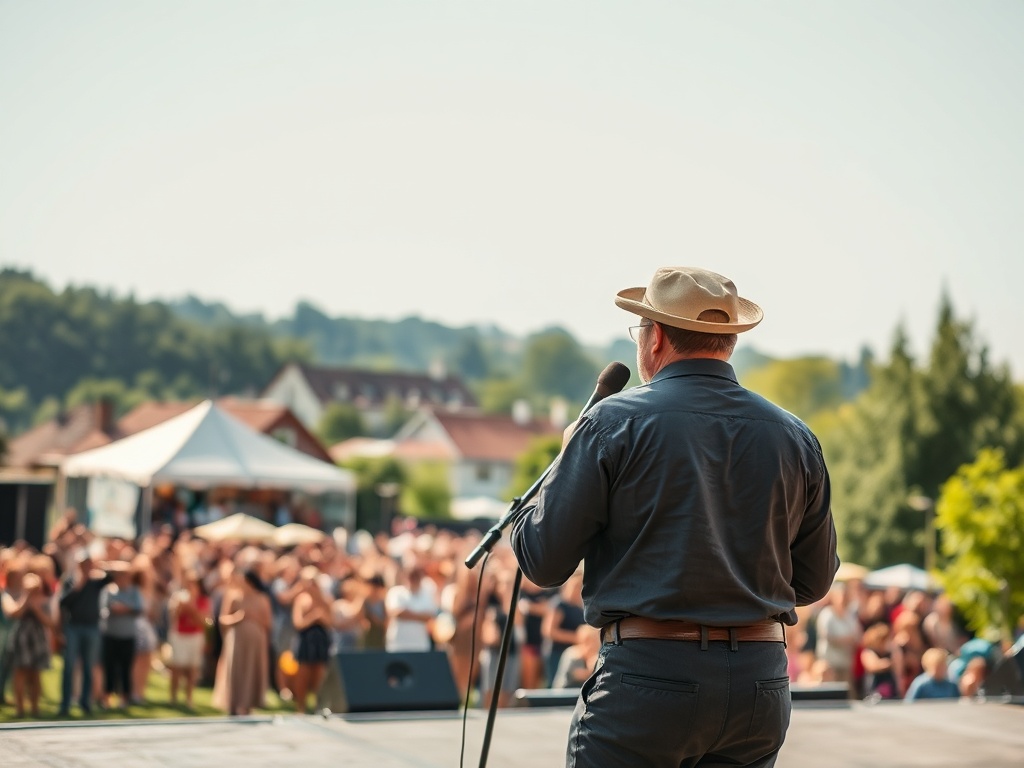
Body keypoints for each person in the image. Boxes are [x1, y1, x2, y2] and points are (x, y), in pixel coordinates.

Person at [511, 266, 838, 767]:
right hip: (760, 682)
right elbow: (813, 580)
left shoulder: (612, 423)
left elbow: (542, 561)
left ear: (656, 336)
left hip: (648, 678)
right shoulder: (795, 436)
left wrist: (564, 460)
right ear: (726, 342)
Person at [57, 549, 112, 716]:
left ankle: (85, 702)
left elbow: (114, 574)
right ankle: (65, 704)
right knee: (69, 666)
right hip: (73, 627)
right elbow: (63, 603)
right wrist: (78, 586)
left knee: (89, 666)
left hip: (92, 628)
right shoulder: (70, 581)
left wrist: (100, 565)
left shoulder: (97, 582)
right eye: (84, 564)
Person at [212, 568, 272, 716]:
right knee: (236, 669)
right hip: (237, 640)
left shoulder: (262, 598)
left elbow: (268, 623)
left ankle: (248, 704)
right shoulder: (233, 596)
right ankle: (233, 703)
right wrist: (238, 617)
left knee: (251, 670)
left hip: (256, 642)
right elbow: (222, 619)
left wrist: (254, 618)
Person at [167, 571, 210, 709]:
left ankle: (189, 698)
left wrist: (191, 608)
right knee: (176, 667)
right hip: (179, 634)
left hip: (195, 636)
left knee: (192, 669)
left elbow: (203, 622)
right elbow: (173, 617)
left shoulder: (203, 601)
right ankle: (173, 698)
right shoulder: (178, 597)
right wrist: (180, 607)